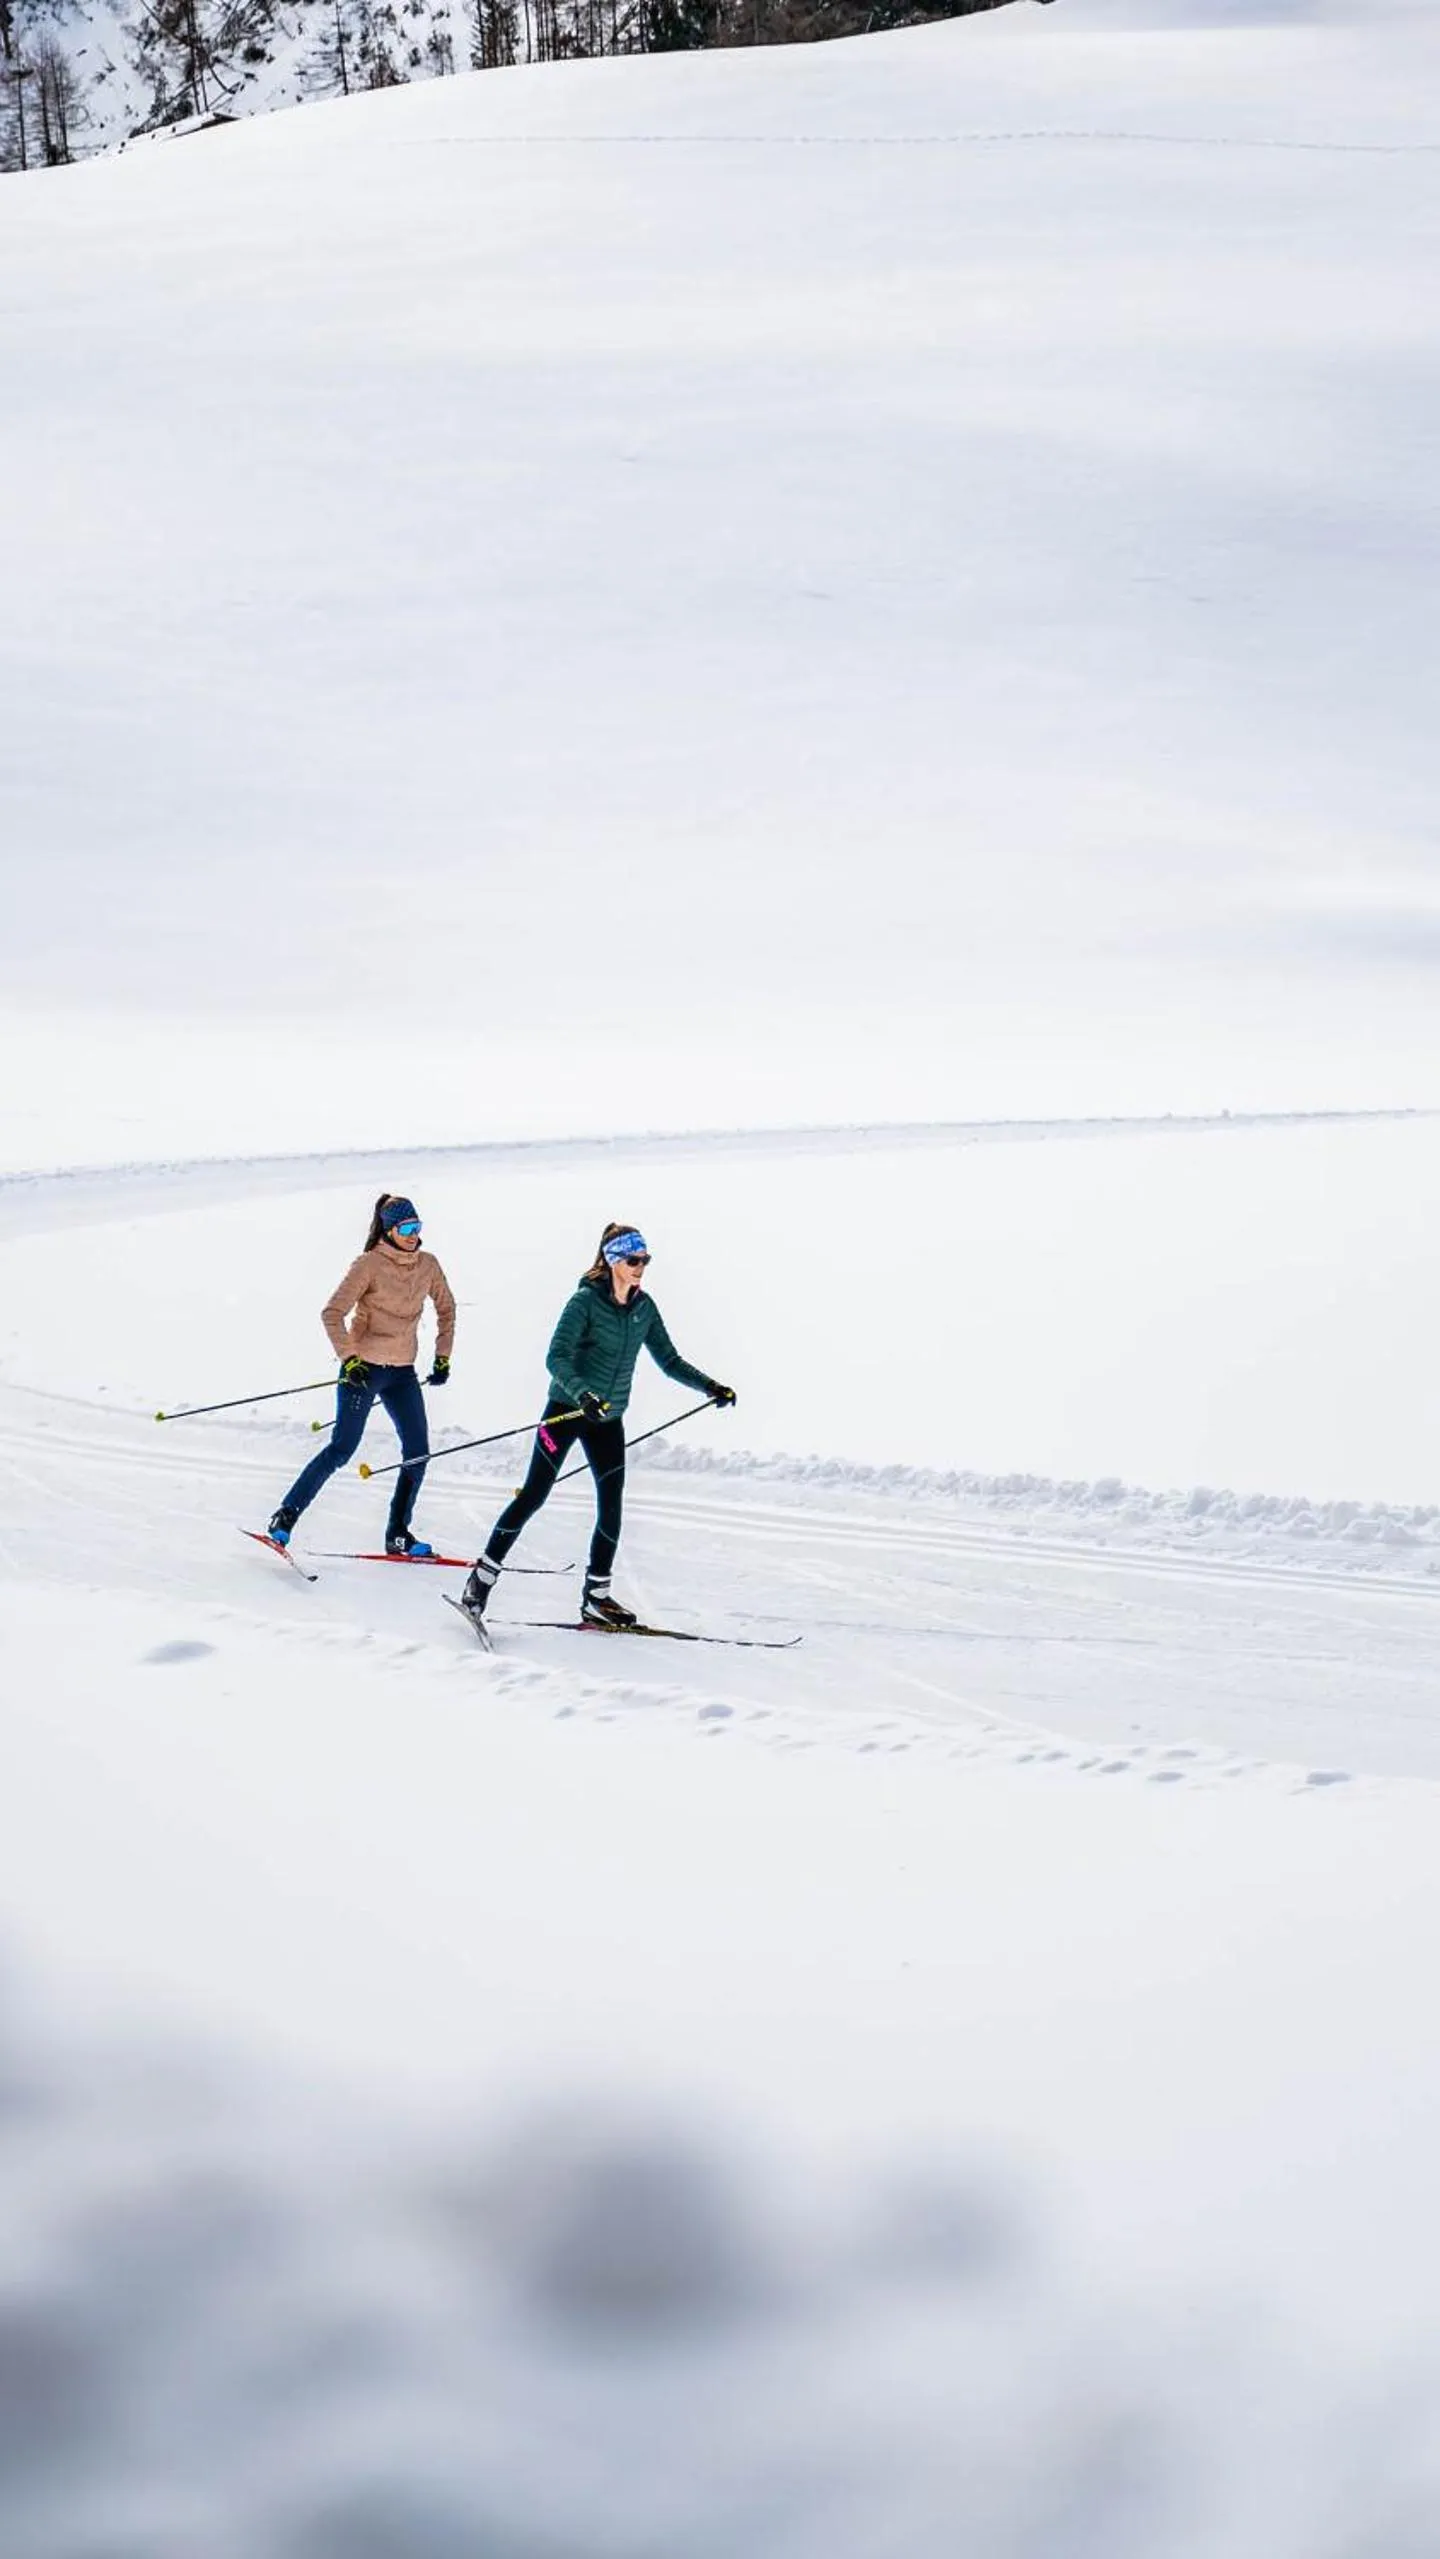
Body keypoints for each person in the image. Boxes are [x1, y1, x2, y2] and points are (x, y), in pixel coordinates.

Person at [458, 1222, 734, 1631]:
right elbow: (556, 1358)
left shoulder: (644, 1308)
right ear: (612, 1261)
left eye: (645, 1260)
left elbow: (669, 1360)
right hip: (568, 1412)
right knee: (534, 1493)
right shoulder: (584, 1303)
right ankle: (479, 1582)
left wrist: (709, 1385)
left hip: (608, 1419)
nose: (641, 1267)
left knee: (612, 1504)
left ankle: (596, 1598)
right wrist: (583, 1394)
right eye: (633, 1260)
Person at [266, 1193, 456, 1557]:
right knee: (341, 1449)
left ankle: (398, 1533)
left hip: (401, 1372)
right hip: (363, 1370)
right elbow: (332, 1313)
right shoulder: (368, 1265)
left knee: (418, 1453)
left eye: (418, 1227)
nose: (414, 1235)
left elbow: (447, 1309)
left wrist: (442, 1357)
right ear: (390, 1230)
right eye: (407, 1228)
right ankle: (285, 1516)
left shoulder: (428, 1265)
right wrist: (349, 1358)